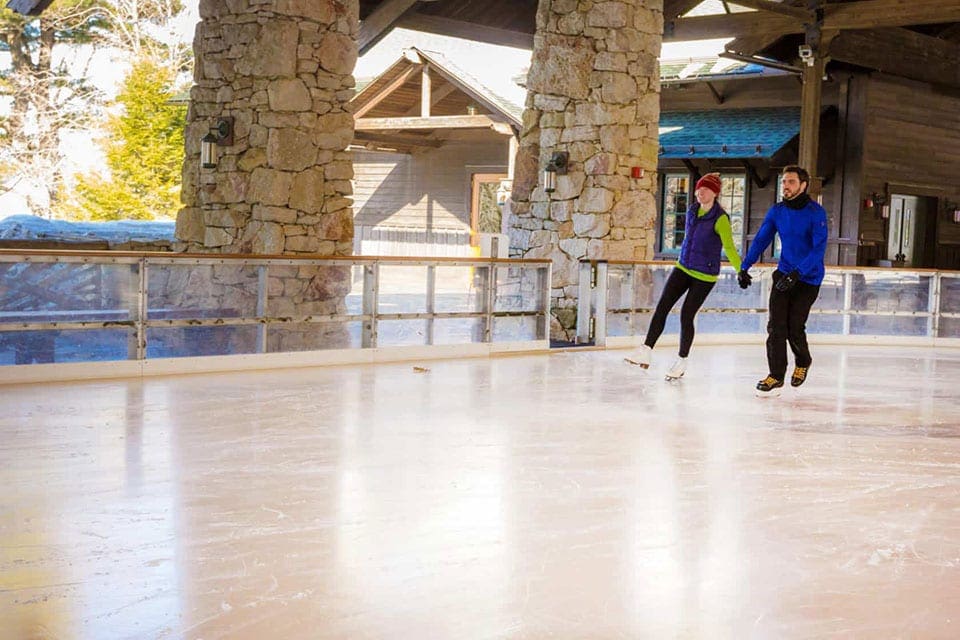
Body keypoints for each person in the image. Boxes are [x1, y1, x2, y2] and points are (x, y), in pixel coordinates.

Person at [631, 173, 742, 379]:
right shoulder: (692, 210)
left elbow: (729, 248)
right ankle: (646, 350)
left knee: (686, 315)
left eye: (706, 189)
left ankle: (682, 361)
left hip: (704, 275)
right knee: (663, 306)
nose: (700, 192)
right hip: (683, 267)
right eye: (699, 188)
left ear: (715, 193)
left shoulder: (721, 219)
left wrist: (741, 271)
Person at [737, 165, 828, 394]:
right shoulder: (777, 211)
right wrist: (744, 266)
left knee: (794, 327)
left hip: (809, 278)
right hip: (784, 273)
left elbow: (818, 249)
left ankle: (803, 361)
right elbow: (760, 240)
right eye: (784, 182)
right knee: (775, 326)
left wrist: (799, 273)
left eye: (791, 182)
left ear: (803, 185)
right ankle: (776, 375)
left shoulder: (816, 213)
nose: (785, 186)